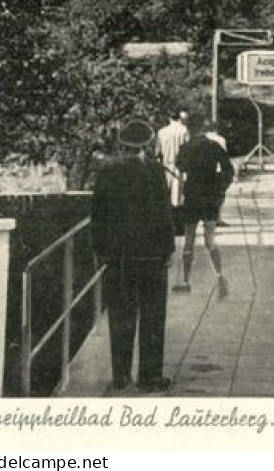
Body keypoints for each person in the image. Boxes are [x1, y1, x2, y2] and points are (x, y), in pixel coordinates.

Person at [91, 117, 175, 394]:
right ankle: (149, 378)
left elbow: (98, 216)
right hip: (151, 256)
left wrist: (100, 251)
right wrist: (168, 250)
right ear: (147, 144)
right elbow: (164, 214)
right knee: (153, 318)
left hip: (119, 258)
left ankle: (120, 376)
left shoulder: (106, 171)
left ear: (122, 143)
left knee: (120, 316)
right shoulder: (154, 172)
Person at [175, 119, 234, 298]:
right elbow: (228, 170)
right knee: (210, 240)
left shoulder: (186, 147)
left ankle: (185, 281)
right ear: (202, 129)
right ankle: (219, 276)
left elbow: (180, 166)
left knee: (189, 241)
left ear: (189, 129)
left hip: (192, 196)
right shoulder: (213, 146)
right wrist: (221, 186)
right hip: (210, 198)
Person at [155, 109, 189, 206]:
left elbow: (157, 152)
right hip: (180, 166)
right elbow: (188, 149)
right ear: (179, 118)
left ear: (169, 118)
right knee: (177, 195)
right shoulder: (184, 130)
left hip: (165, 165)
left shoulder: (161, 132)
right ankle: (177, 216)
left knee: (165, 193)